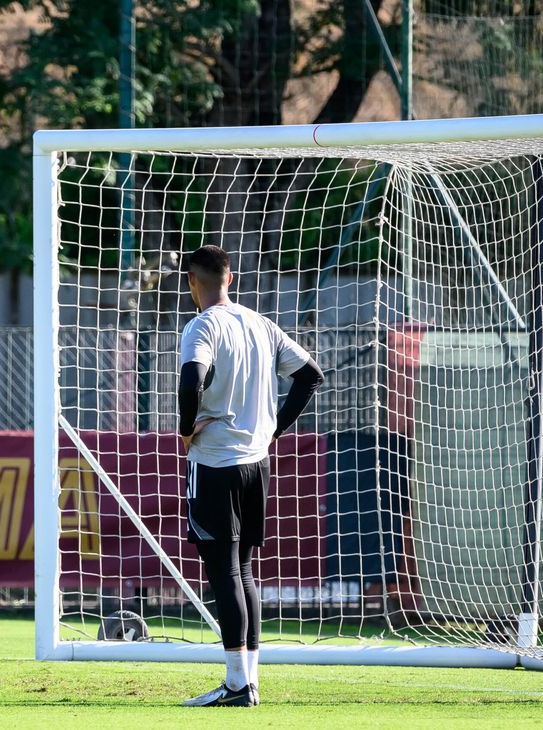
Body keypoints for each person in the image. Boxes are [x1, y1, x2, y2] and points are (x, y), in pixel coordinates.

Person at [178, 245, 323, 707]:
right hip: (257, 463)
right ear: (231, 277)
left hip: (217, 462)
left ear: (190, 282)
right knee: (243, 570)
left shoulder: (201, 325)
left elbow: (190, 380)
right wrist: (275, 428)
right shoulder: (260, 323)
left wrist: (185, 430)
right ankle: (248, 681)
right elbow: (311, 375)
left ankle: (238, 685)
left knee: (223, 570)